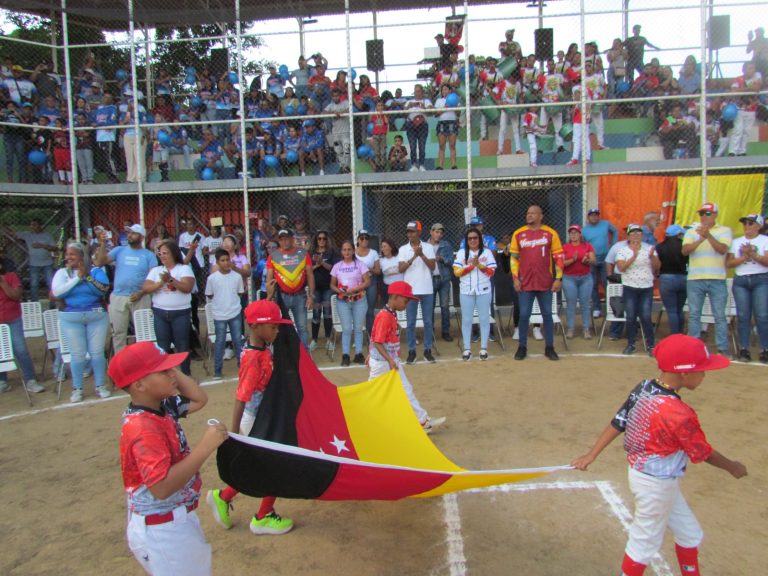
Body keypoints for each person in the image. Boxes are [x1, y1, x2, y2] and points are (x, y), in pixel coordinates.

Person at [571, 334, 747, 576]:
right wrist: (732, 466)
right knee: (644, 542)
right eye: (702, 370)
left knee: (689, 533)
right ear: (684, 374)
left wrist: (592, 454)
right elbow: (702, 451)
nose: (705, 375)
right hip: (656, 484)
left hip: (651, 476)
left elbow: (619, 421)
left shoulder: (644, 387)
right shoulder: (678, 413)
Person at [110, 341, 228, 575]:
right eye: (163, 371)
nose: (172, 374)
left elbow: (198, 398)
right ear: (140, 384)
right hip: (162, 529)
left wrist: (170, 371)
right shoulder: (143, 428)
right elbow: (161, 487)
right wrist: (205, 448)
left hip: (173, 519)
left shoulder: (162, 405)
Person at [206, 300, 294, 536]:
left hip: (261, 417)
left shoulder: (260, 348)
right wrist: (233, 434)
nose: (276, 331)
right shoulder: (253, 358)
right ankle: (263, 515)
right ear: (256, 327)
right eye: (273, 327)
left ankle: (223, 497)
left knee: (261, 466)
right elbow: (242, 396)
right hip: (256, 420)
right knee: (274, 467)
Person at [368, 280, 445, 434]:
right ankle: (364, 419)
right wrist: (388, 359)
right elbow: (377, 341)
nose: (407, 304)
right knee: (373, 392)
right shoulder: (385, 316)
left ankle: (422, 420)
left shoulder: (389, 313)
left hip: (386, 360)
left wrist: (373, 354)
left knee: (402, 390)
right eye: (405, 300)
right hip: (384, 362)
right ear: (395, 297)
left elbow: (376, 337)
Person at [51, 241, 111, 402]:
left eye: (72, 254)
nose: (68, 257)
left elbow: (102, 290)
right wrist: (77, 278)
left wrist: (88, 277)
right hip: (71, 318)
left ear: (82, 256)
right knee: (77, 354)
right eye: (67, 254)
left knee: (97, 353)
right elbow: (58, 292)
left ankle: (100, 385)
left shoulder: (96, 271)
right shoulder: (63, 273)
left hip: (96, 316)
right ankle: (77, 389)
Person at [509, 205, 564, 361]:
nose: (529, 215)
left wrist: (558, 278)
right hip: (525, 282)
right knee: (524, 315)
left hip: (545, 282)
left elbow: (558, 256)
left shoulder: (550, 233)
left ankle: (549, 347)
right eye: (528, 213)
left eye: (533, 213)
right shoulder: (519, 234)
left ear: (541, 216)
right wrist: (515, 278)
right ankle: (522, 347)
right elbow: (513, 258)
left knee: (547, 315)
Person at [93, 223, 156, 353]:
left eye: (133, 233)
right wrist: (103, 244)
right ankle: (121, 365)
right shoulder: (119, 250)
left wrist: (142, 292)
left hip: (141, 297)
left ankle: (143, 361)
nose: (129, 235)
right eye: (129, 233)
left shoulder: (149, 255)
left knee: (144, 333)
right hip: (119, 296)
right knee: (118, 333)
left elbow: (153, 278)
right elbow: (99, 262)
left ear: (141, 237)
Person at [682, 202, 732, 355]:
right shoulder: (691, 231)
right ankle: (694, 350)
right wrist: (700, 239)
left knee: (719, 316)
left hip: (717, 278)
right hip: (695, 278)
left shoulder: (725, 231)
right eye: (702, 213)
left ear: (716, 214)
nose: (704, 216)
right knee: (694, 315)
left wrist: (708, 235)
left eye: (707, 213)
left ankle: (723, 349)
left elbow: (723, 249)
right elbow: (685, 251)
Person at [143, 240, 195, 375]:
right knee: (162, 347)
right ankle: (165, 375)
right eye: (160, 253)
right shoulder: (156, 270)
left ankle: (186, 374)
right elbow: (146, 288)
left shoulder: (184, 269)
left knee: (182, 346)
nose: (162, 256)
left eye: (165, 253)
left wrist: (171, 280)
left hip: (180, 313)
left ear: (173, 253)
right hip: (160, 312)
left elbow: (187, 288)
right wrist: (162, 282)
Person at [726, 213, 768, 362]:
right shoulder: (737, 241)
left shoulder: (765, 240)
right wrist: (744, 257)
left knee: (762, 315)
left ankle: (765, 349)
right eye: (745, 224)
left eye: (750, 223)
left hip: (761, 278)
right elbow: (729, 263)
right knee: (743, 316)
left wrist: (753, 255)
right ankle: (744, 348)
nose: (747, 226)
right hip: (741, 279)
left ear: (759, 226)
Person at [0, 257, 44, 394]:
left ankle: (30, 380)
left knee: (21, 350)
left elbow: (16, 296)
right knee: (1, 352)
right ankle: (2, 381)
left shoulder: (11, 276)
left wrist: (2, 283)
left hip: (12, 319)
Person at [266, 228, 315, 347]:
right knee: (280, 327)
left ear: (292, 239)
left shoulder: (303, 253)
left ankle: (305, 357)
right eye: (282, 239)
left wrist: (311, 296)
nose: (285, 242)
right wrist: (271, 297)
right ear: (279, 240)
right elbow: (270, 279)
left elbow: (310, 275)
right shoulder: (273, 256)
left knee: (302, 327)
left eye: (287, 239)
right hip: (281, 296)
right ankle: (284, 355)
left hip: (300, 295)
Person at [453, 228, 496, 361]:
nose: (473, 240)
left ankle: (483, 348)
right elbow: (456, 272)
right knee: (467, 320)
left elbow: (492, 271)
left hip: (483, 290)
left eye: (475, 238)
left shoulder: (487, 252)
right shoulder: (461, 253)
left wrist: (480, 265)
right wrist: (471, 266)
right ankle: (467, 349)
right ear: (467, 240)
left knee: (484, 319)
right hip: (466, 290)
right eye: (470, 238)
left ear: (480, 239)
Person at [398, 221, 437, 364]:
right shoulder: (403, 249)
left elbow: (432, 267)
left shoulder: (428, 247)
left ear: (419, 232)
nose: (410, 234)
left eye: (413, 231)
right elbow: (401, 269)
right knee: (410, 323)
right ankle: (412, 351)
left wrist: (422, 255)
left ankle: (427, 351)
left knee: (428, 322)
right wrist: (414, 256)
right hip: (410, 291)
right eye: (408, 231)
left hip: (426, 289)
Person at [616, 224, 656, 355]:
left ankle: (651, 345)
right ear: (628, 236)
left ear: (642, 235)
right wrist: (633, 257)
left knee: (646, 316)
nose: (636, 235)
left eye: (638, 233)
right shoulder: (623, 251)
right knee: (631, 316)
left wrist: (653, 257)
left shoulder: (649, 248)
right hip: (630, 287)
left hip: (646, 287)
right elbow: (621, 268)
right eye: (633, 233)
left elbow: (657, 267)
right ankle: (631, 344)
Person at [205, 249, 245, 378]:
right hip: (219, 314)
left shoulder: (237, 276)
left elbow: (240, 292)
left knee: (238, 341)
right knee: (220, 342)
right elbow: (209, 294)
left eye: (228, 260)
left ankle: (242, 368)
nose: (226, 263)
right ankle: (218, 370)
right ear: (217, 262)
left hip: (235, 312)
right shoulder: (212, 278)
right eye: (222, 260)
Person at [331, 240, 371, 367]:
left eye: (349, 249)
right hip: (343, 301)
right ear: (341, 252)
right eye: (344, 250)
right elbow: (332, 284)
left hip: (359, 299)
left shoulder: (360, 264)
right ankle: (346, 355)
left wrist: (355, 289)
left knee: (359, 328)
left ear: (353, 251)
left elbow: (367, 281)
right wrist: (339, 290)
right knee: (347, 329)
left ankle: (359, 353)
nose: (347, 252)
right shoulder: (337, 266)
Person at [651, 224, 688, 336]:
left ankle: (675, 336)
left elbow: (657, 265)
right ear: (678, 234)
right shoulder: (684, 246)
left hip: (666, 278)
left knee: (671, 310)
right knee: (679, 309)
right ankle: (680, 334)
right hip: (683, 278)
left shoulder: (659, 247)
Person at [581, 208, 618, 319]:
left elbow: (615, 231)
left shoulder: (605, 224)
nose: (594, 217)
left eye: (596, 215)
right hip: (592, 260)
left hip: (606, 258)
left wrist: (614, 246)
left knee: (607, 283)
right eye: (592, 215)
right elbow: (583, 244)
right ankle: (597, 308)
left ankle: (611, 308)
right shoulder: (584, 230)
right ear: (588, 217)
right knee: (592, 284)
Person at [10, 218, 57, 302]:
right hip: (34, 264)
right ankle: (34, 303)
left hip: (47, 263)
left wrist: (42, 246)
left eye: (34, 225)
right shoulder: (27, 234)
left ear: (40, 226)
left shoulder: (47, 235)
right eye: (31, 225)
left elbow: (54, 248)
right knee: (34, 284)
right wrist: (4, 226)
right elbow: (13, 234)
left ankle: (52, 303)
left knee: (50, 284)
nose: (32, 227)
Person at [562, 224, 596, 339]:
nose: (573, 235)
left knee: (585, 304)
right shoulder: (565, 247)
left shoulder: (587, 246)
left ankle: (586, 329)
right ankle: (570, 329)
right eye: (571, 233)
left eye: (575, 233)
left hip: (585, 277)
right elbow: (561, 264)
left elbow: (593, 260)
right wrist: (573, 260)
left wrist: (587, 260)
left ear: (580, 234)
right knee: (570, 304)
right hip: (569, 278)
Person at [308, 231, 338, 352]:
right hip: (315, 287)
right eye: (319, 239)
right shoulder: (310, 254)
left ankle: (328, 340)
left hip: (327, 287)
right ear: (316, 240)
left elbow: (333, 268)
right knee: (315, 314)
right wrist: (317, 264)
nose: (321, 241)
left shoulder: (331, 253)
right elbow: (308, 269)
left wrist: (322, 263)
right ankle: (314, 340)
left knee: (327, 313)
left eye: (324, 239)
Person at [428, 223, 454, 342]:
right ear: (431, 232)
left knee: (445, 306)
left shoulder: (446, 245)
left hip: (444, 279)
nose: (439, 234)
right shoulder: (425, 245)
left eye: (441, 232)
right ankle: (431, 332)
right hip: (430, 279)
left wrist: (442, 259)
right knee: (430, 307)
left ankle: (445, 331)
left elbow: (451, 261)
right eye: (436, 232)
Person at [354, 230, 380, 336]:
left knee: (369, 310)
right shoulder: (353, 253)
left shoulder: (373, 253)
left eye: (366, 238)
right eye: (362, 238)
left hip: (370, 282)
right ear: (358, 240)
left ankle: (370, 335)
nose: (364, 240)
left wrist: (368, 269)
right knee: (357, 309)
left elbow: (378, 271)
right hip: (357, 283)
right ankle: (358, 335)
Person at [404, 84, 433, 171]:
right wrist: (410, 106)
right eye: (416, 91)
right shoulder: (409, 102)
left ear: (422, 92)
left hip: (422, 125)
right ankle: (413, 165)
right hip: (411, 125)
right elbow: (403, 111)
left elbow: (431, 110)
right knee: (412, 146)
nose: (417, 93)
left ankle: (421, 164)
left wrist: (423, 107)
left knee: (422, 146)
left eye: (419, 91)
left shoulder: (426, 101)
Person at [434, 84, 458, 170]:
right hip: (442, 123)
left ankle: (453, 165)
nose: (444, 91)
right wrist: (445, 107)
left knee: (452, 145)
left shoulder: (455, 99)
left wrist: (454, 107)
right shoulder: (439, 101)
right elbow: (436, 114)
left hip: (452, 122)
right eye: (443, 90)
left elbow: (458, 113)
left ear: (450, 91)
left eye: (446, 89)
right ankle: (440, 165)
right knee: (441, 145)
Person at [378, 237, 403, 302]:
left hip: (400, 287)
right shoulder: (381, 260)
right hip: (387, 288)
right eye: (382, 247)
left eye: (384, 246)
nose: (382, 249)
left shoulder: (399, 257)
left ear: (391, 247)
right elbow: (379, 275)